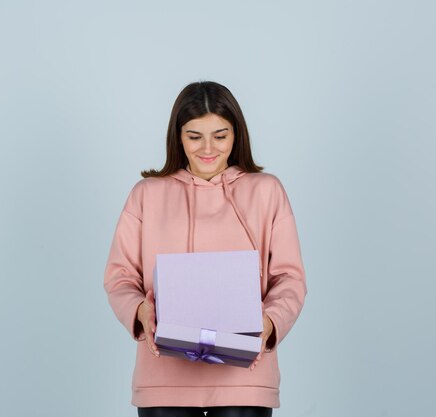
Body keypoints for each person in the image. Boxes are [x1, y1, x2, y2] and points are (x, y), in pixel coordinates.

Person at [103, 81, 307, 417]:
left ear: (236, 135)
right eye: (194, 136)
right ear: (178, 136)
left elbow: (289, 277)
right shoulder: (146, 194)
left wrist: (270, 321)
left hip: (246, 377)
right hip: (163, 378)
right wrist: (139, 312)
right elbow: (119, 276)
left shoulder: (267, 192)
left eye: (220, 135)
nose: (207, 148)